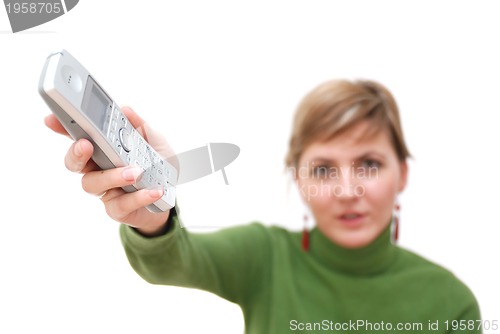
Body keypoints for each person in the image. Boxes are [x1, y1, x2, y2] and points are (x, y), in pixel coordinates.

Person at [45, 79, 481, 333]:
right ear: (300, 179)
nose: (349, 190)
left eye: (369, 164)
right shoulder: (265, 257)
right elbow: (174, 261)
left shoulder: (450, 303)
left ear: (402, 173)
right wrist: (156, 212)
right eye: (324, 169)